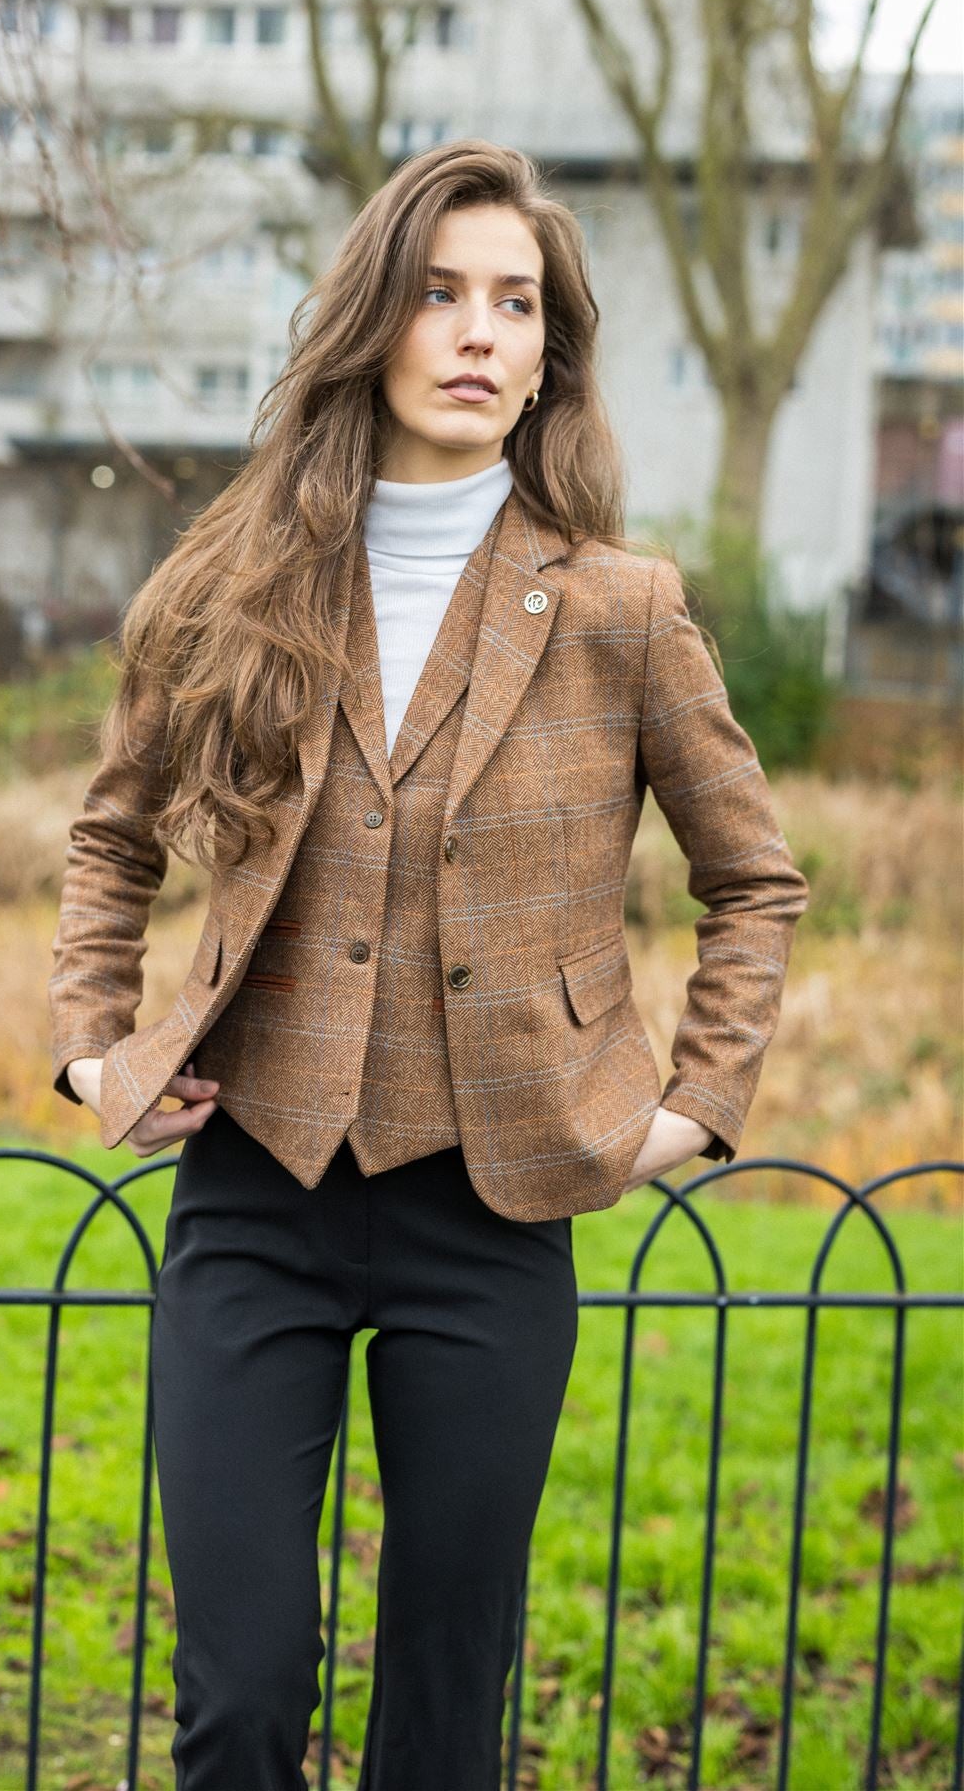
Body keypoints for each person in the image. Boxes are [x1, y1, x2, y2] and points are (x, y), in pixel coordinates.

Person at [48, 139, 809, 1791]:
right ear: (372, 324)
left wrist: (697, 1103)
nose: (479, 332)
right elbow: (113, 840)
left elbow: (753, 880)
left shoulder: (621, 608)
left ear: (550, 353)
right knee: (241, 1692)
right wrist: (91, 1045)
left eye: (516, 303)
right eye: (442, 294)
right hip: (257, 1195)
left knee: (447, 1716)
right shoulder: (232, 582)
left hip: (499, 1206)